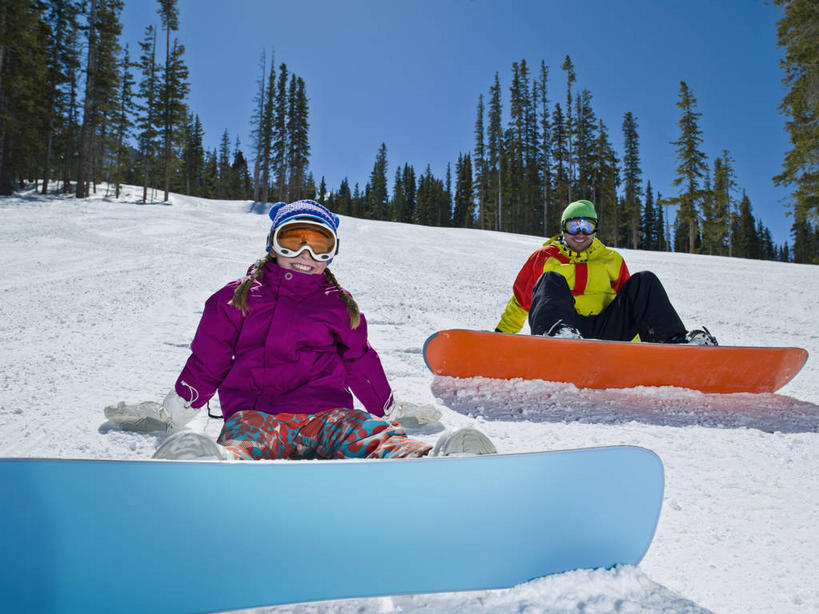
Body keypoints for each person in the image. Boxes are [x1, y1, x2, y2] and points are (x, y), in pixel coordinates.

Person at [152, 199, 496, 461]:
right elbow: (208, 360)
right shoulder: (234, 299)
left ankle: (433, 461)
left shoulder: (338, 304)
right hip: (258, 415)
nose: (305, 254)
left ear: (331, 254)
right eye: (292, 241)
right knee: (244, 438)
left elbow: (361, 364)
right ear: (273, 243)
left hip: (327, 415)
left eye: (319, 246)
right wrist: (179, 410)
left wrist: (387, 410)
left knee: (367, 431)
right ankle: (212, 464)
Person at [495, 199, 717, 345]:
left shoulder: (612, 259)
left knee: (645, 281)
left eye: (587, 227)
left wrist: (637, 354)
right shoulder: (544, 257)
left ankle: (673, 341)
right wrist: (500, 339)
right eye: (574, 227)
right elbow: (521, 300)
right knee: (550, 279)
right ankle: (557, 337)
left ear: (595, 229)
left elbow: (636, 306)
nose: (580, 233)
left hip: (608, 331)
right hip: (570, 329)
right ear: (564, 228)